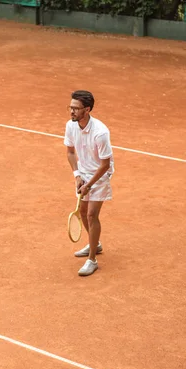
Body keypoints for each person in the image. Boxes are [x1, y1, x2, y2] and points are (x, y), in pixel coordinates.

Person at [64, 90, 114, 276]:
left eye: (76, 109)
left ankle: (92, 260)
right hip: (84, 172)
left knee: (92, 214)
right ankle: (96, 243)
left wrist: (89, 184)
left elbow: (105, 164)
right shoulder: (70, 126)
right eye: (70, 107)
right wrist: (77, 176)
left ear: (87, 109)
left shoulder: (100, 132)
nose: (72, 112)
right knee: (83, 212)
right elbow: (70, 152)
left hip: (100, 174)